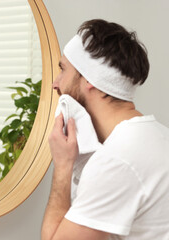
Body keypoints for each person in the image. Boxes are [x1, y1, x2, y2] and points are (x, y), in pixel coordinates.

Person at [41, 19, 169, 239]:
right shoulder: (158, 135)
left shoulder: (117, 160)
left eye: (63, 70)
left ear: (89, 79)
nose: (55, 83)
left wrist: (62, 166)